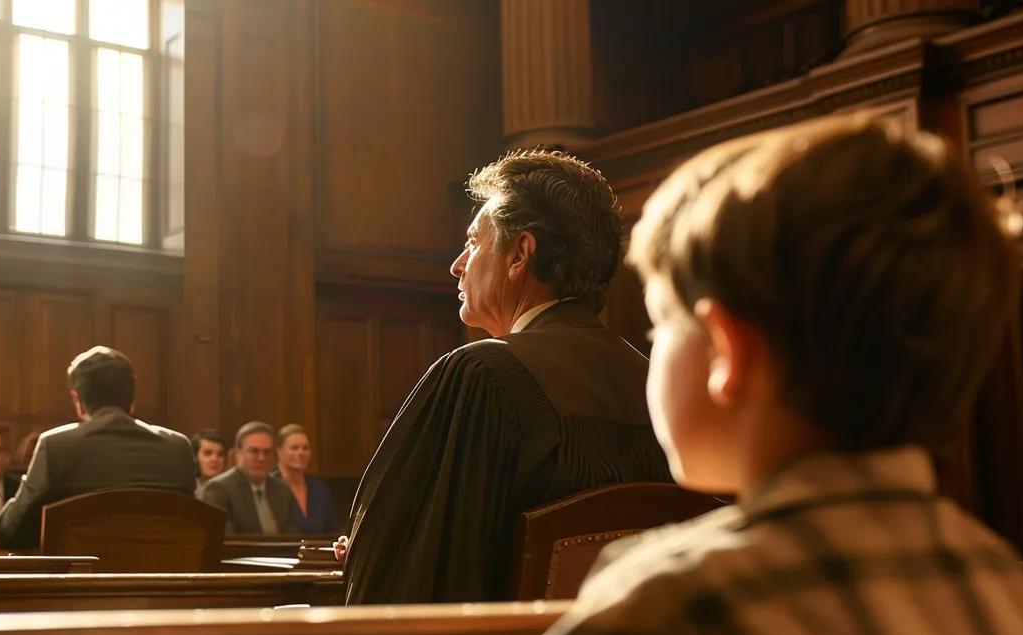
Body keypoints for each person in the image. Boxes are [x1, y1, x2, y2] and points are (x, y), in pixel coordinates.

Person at [518, 114, 1023, 635]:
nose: (652, 346)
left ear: (727, 351)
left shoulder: (665, 611)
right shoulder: (997, 580)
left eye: (659, 325)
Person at [338, 149, 671, 604]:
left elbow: (396, 573)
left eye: (473, 243)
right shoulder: (659, 386)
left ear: (520, 255)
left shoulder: (479, 375)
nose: (458, 265)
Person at [0, 347, 197, 549]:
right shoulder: (177, 447)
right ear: (132, 398)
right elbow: (194, 527)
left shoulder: (56, 446)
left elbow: (11, 531)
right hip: (162, 577)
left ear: (78, 401)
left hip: (83, 579)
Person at [199, 422, 299, 534]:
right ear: (238, 453)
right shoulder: (219, 489)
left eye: (267, 452)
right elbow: (225, 541)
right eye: (254, 451)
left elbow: (292, 537)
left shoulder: (282, 489)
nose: (261, 458)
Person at [273, 424, 338, 535]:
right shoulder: (269, 485)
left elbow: (333, 530)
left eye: (305, 448)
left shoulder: (318, 488)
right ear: (279, 451)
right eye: (294, 448)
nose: (301, 453)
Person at [191, 428, 228, 492]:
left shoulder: (233, 491)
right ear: (195, 457)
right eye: (208, 453)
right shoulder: (188, 489)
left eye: (220, 455)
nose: (215, 459)